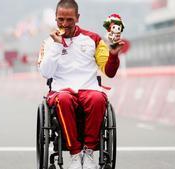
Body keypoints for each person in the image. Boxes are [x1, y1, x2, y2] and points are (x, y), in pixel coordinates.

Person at [38, 0, 124, 168]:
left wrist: (113, 55)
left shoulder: (93, 39)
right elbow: (46, 73)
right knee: (64, 99)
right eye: (60, 19)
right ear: (55, 19)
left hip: (88, 88)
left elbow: (110, 72)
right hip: (60, 91)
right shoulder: (48, 43)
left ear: (77, 18)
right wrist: (56, 46)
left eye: (69, 19)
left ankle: (89, 153)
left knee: (98, 99)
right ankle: (76, 155)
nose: (65, 24)